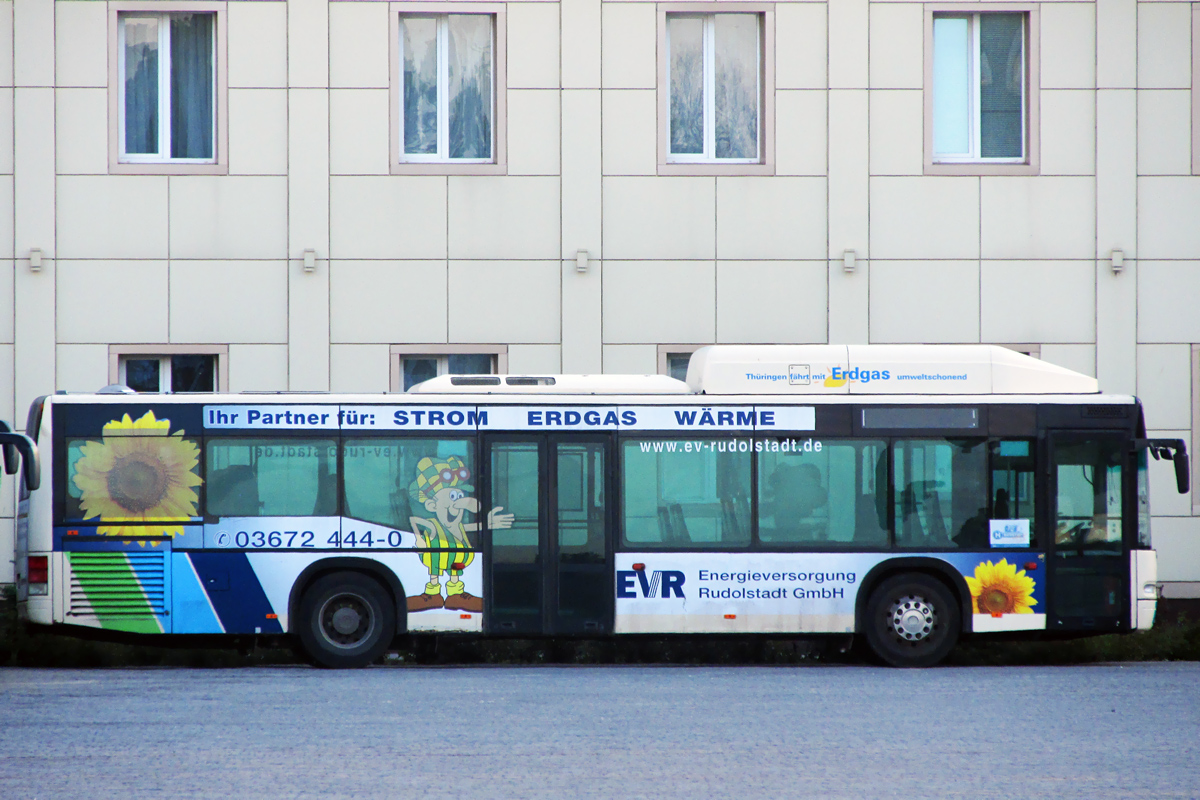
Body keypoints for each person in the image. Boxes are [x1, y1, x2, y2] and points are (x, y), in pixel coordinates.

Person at [405, 456, 514, 613]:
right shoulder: (433, 525)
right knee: (434, 568)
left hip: (455, 559)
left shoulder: (458, 527)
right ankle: (432, 594)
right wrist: (419, 540)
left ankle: (455, 595)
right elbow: (414, 521)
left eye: (459, 496)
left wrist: (487, 524)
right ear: (431, 505)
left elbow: (467, 526)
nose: (458, 505)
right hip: (436, 558)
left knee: (456, 568)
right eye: (452, 498)